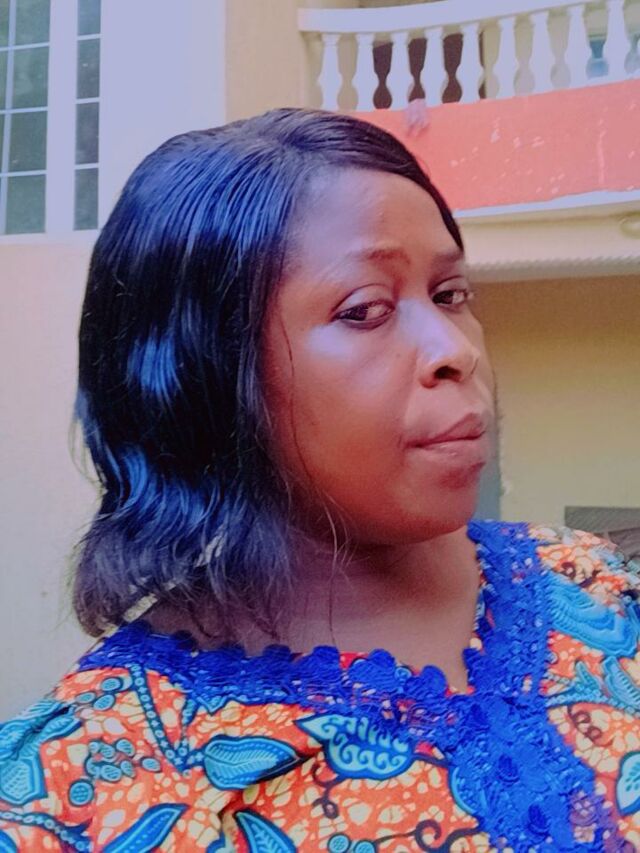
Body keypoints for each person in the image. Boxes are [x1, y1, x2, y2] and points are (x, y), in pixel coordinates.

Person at [0, 108, 638, 852]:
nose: (454, 350)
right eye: (365, 310)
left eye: (450, 295)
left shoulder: (593, 585)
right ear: (208, 377)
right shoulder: (92, 786)